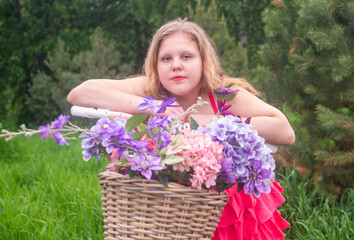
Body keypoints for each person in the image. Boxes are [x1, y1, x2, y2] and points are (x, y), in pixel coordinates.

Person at [67, 18, 295, 240]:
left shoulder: (223, 94)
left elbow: (285, 131)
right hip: (166, 206)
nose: (176, 64)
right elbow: (80, 93)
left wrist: (205, 120)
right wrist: (154, 107)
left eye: (186, 56)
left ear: (204, 60)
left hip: (228, 206)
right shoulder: (151, 89)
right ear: (155, 66)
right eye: (166, 58)